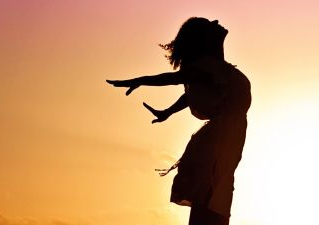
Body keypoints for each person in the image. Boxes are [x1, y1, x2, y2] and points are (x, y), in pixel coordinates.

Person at [106, 17, 251, 225]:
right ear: (204, 39)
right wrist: (141, 81)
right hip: (219, 138)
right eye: (210, 23)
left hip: (227, 133)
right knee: (211, 191)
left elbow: (195, 91)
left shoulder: (217, 69)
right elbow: (174, 78)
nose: (216, 21)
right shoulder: (207, 65)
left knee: (217, 190)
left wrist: (168, 111)